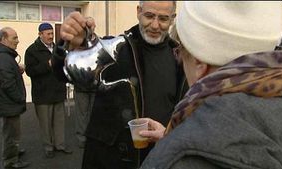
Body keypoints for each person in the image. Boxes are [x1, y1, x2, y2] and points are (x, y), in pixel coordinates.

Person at [138, 1, 282, 169]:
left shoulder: (179, 158)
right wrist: (170, 135)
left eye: (180, 53)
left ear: (198, 61)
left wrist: (176, 142)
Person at [51, 1, 187, 169]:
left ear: (173, 18)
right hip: (113, 158)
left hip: (163, 155)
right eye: (149, 16)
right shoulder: (116, 48)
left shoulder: (181, 58)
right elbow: (63, 73)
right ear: (138, 12)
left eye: (163, 18)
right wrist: (70, 46)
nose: (155, 25)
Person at [24, 22, 72, 159]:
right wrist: (48, 64)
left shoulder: (58, 48)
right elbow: (30, 71)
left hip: (58, 91)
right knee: (45, 124)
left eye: (52, 33)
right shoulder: (32, 50)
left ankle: (60, 145)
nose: (51, 36)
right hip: (43, 94)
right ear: (40, 34)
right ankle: (48, 147)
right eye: (48, 34)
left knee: (59, 122)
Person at [0, 27, 30, 169]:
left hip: (9, 103)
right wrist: (20, 98)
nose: (18, 41)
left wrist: (16, 70)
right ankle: (11, 161)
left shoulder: (6, 56)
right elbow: (7, 83)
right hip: (9, 104)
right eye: (14, 38)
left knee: (12, 132)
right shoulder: (4, 57)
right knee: (11, 133)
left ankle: (13, 152)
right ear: (4, 40)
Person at [73, 84, 95, 149]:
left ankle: (83, 139)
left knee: (82, 114)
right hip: (87, 86)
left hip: (81, 85)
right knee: (89, 114)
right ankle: (90, 138)